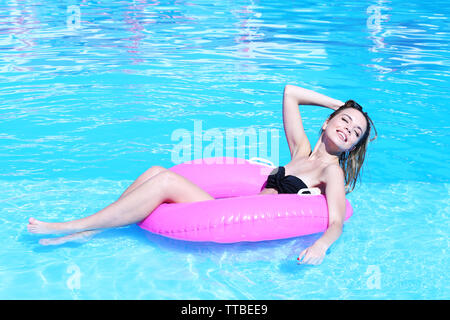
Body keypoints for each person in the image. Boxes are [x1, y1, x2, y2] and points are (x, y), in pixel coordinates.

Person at [27, 84, 376, 265]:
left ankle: (73, 225)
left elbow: (335, 220)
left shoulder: (331, 173)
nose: (348, 129)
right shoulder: (301, 150)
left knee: (164, 181)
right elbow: (290, 93)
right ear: (329, 122)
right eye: (345, 121)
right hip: (231, 204)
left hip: (237, 215)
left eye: (356, 132)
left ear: (353, 147)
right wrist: (342, 105)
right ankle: (91, 231)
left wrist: (322, 246)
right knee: (156, 170)